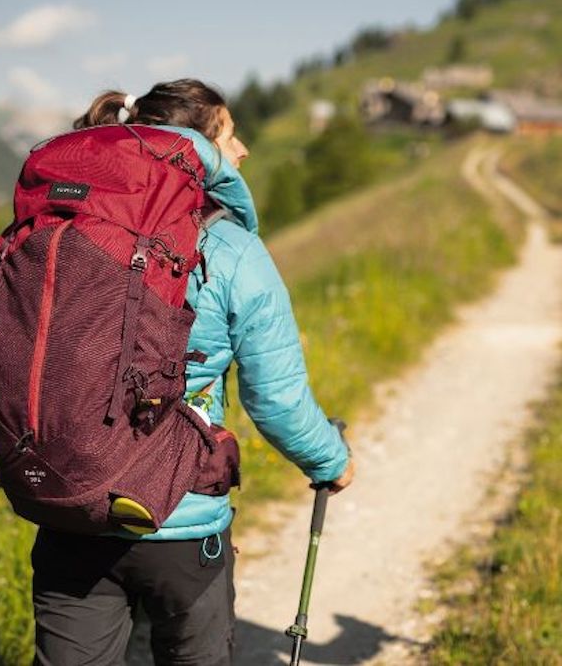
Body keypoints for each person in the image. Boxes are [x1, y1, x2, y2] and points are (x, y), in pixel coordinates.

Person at [28, 79, 355, 665]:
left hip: (69, 509)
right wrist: (331, 461)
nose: (244, 149)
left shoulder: (67, 227)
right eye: (230, 134)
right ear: (198, 150)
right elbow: (276, 401)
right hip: (178, 520)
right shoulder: (231, 251)